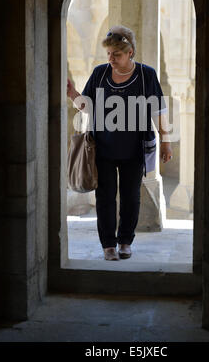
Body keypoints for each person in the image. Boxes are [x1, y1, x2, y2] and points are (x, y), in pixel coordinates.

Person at [67, 25, 173, 261]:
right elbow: (88, 107)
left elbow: (159, 110)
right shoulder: (100, 74)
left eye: (116, 54)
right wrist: (74, 94)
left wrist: (166, 141)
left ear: (130, 52)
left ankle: (125, 241)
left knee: (131, 197)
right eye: (109, 54)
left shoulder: (146, 75)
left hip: (134, 149)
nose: (111, 59)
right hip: (102, 148)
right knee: (105, 198)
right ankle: (108, 246)